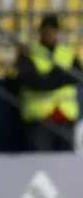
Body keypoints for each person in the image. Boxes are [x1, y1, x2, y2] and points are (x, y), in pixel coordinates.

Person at [17, 15, 80, 152]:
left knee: (65, 161)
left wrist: (50, 77)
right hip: (39, 118)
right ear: (41, 32)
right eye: (47, 30)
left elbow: (77, 76)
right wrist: (60, 76)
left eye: (53, 30)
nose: (50, 34)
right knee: (40, 162)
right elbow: (32, 80)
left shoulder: (68, 52)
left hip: (65, 116)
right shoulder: (29, 51)